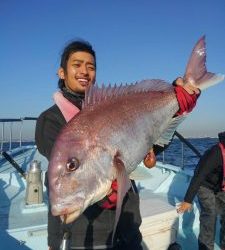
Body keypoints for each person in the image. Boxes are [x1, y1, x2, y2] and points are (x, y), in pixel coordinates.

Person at [35, 39, 199, 250]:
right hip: (83, 237)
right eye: (76, 65)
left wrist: (178, 107)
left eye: (91, 67)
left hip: (128, 227)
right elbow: (66, 168)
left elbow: (153, 146)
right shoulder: (50, 119)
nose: (84, 71)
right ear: (62, 72)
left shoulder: (108, 106)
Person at [177, 131, 225, 250]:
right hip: (205, 186)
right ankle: (206, 247)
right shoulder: (215, 153)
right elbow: (199, 176)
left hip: (221, 186)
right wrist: (188, 200)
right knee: (210, 214)